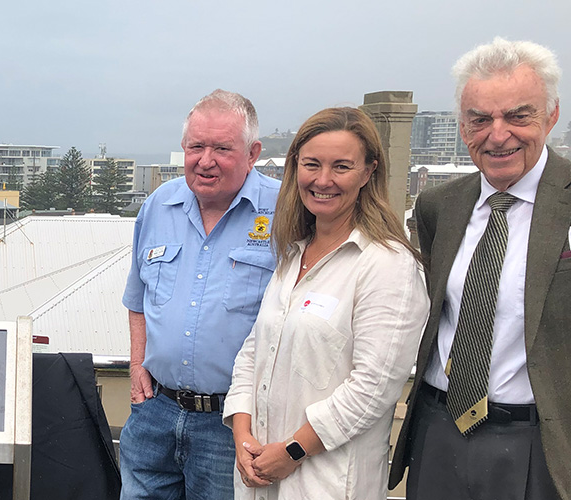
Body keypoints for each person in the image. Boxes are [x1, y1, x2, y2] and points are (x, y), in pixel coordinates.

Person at [390, 37, 571, 499]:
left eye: (518, 115)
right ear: (462, 125)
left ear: (551, 115)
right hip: (438, 429)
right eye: (480, 119)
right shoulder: (438, 207)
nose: (497, 133)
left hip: (540, 443)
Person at [223, 107, 427, 499]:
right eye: (311, 164)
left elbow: (373, 387)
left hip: (327, 483)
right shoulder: (292, 254)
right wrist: (243, 435)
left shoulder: (387, 265)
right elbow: (253, 352)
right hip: (259, 474)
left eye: (342, 167)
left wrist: (294, 450)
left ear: (369, 172)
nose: (323, 180)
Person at [120, 89, 281, 499]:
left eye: (222, 148)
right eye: (196, 146)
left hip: (234, 424)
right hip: (155, 411)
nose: (205, 160)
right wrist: (138, 362)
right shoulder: (159, 205)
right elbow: (138, 299)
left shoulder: (285, 212)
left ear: (253, 152)